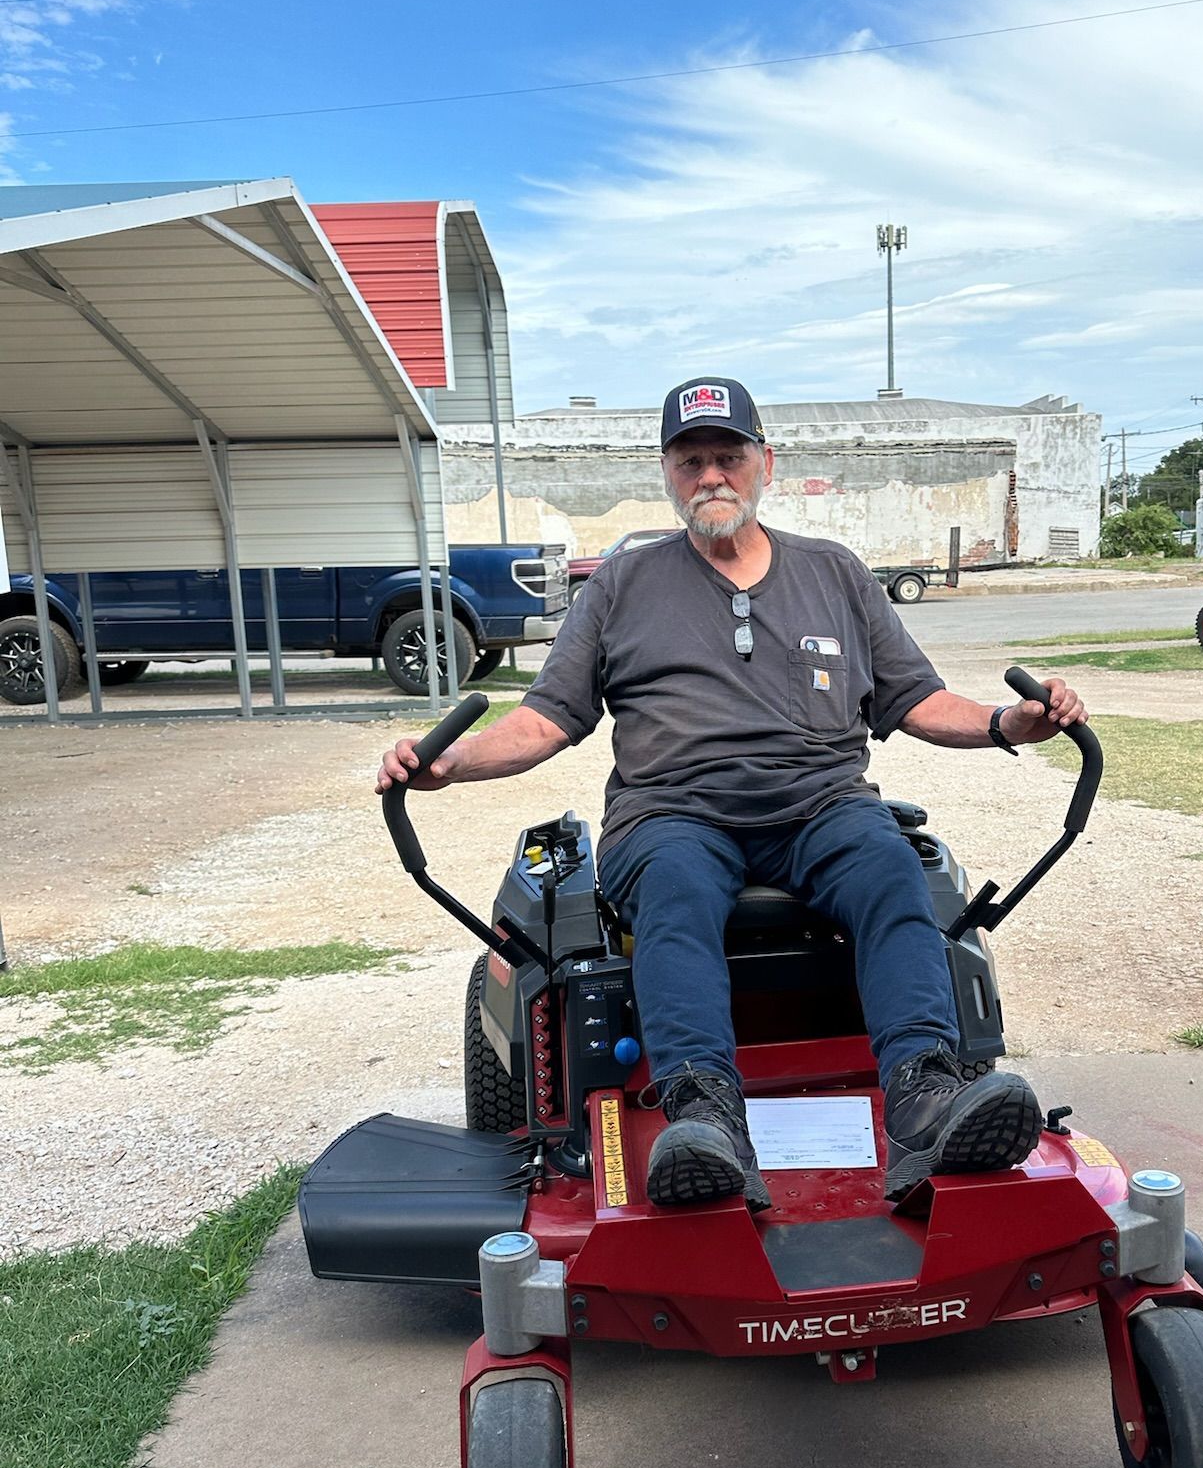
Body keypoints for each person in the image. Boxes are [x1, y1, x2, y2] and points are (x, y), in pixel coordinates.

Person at [378, 376, 1088, 1211]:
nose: (710, 475)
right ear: (669, 475)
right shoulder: (622, 585)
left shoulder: (836, 574)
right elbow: (546, 719)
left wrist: (1011, 722)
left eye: (727, 456)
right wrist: (451, 763)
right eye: (691, 461)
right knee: (674, 889)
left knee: (893, 871)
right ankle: (706, 1117)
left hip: (821, 804)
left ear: (764, 465)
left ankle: (925, 1099)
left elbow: (917, 700)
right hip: (671, 810)